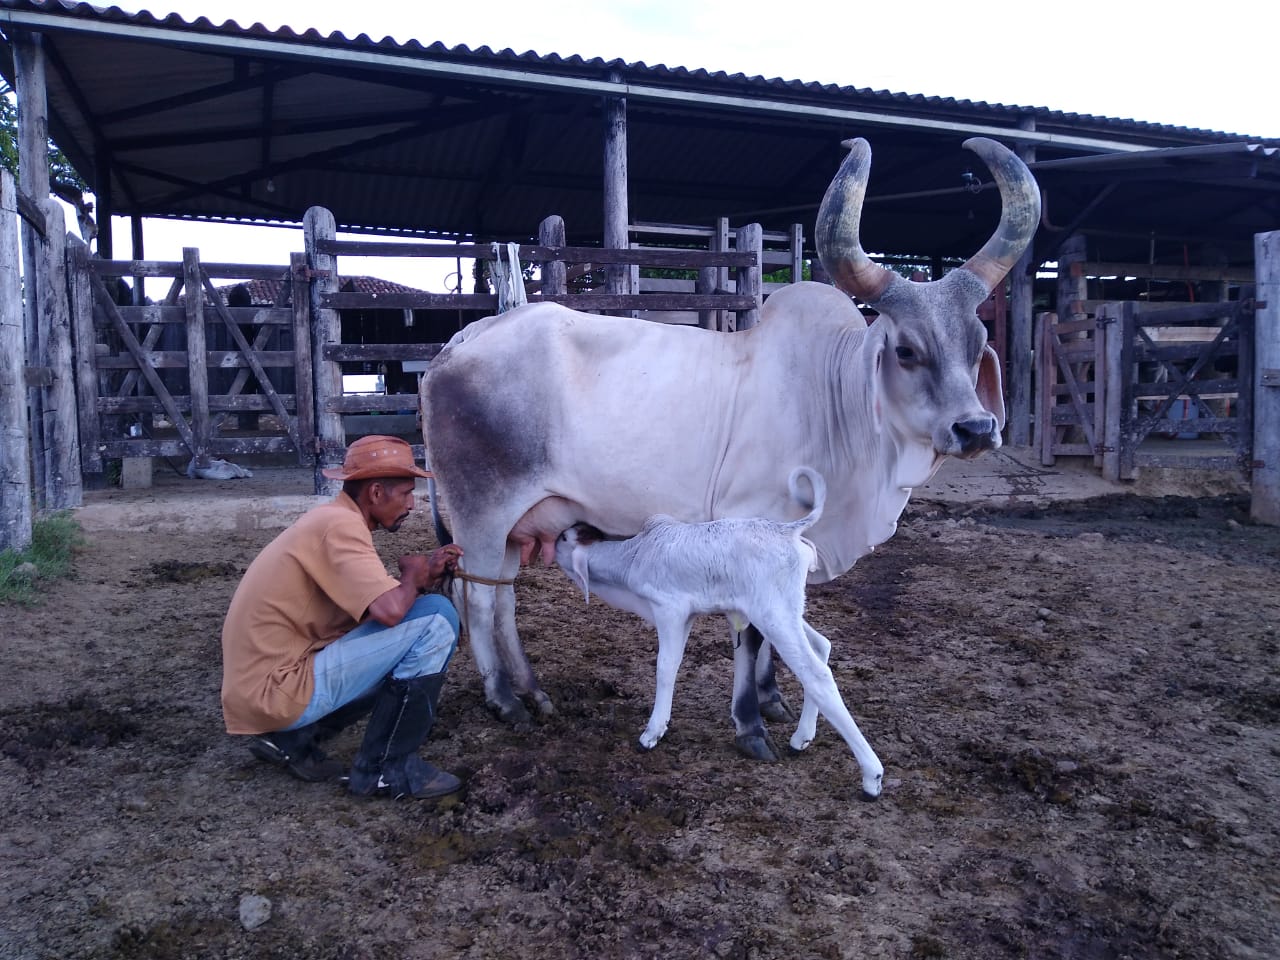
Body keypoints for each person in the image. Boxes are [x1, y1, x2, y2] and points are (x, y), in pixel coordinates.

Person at [220, 435, 464, 800]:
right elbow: (391, 611)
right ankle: (385, 768)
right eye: (406, 494)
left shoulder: (332, 519)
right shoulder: (341, 527)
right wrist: (414, 578)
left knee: (410, 623)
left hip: (263, 682)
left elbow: (377, 607)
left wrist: (423, 573)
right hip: (276, 689)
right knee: (437, 618)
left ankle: (292, 739)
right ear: (376, 493)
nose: (413, 505)